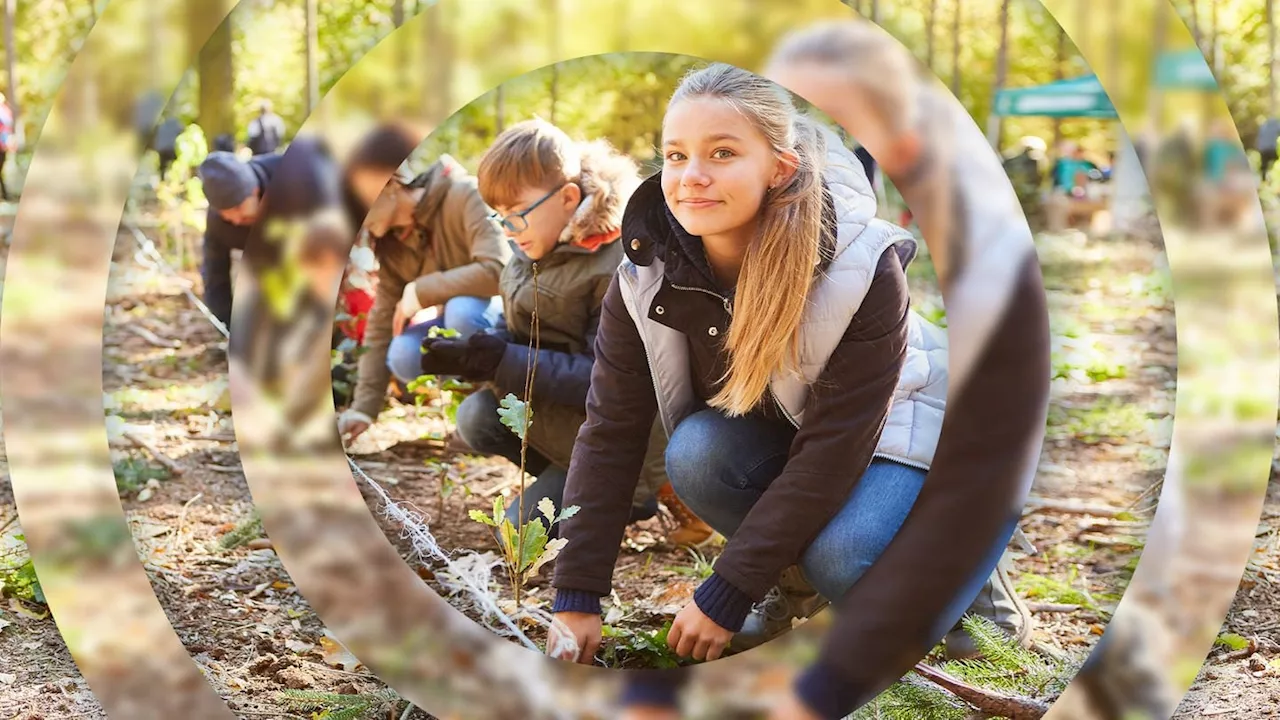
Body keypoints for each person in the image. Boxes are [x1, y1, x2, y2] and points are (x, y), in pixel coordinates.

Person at [611, 22, 1049, 718]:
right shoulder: (654, 262)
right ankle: (800, 588)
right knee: (699, 451)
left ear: (778, 167)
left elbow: (832, 451)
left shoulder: (861, 263)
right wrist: (574, 595)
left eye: (722, 153)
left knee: (847, 558)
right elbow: (611, 428)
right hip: (809, 434)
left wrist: (725, 588)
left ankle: (977, 585)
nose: (691, 176)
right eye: (675, 154)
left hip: (923, 430)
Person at [417, 119, 702, 540]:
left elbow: (603, 380)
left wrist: (501, 361)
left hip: (621, 437)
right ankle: (579, 481)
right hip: (571, 423)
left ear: (569, 198)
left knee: (516, 536)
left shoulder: (617, 265)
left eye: (518, 214)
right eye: (501, 216)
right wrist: (478, 352)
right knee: (478, 417)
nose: (508, 230)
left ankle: (630, 489)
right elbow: (519, 324)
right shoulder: (532, 242)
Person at [336, 156, 510, 444]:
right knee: (403, 354)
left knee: (462, 312)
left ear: (390, 185)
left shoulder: (462, 193)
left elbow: (498, 270)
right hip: (461, 324)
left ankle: (494, 405)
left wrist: (420, 291)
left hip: (502, 316)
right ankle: (465, 417)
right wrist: (363, 409)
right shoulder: (392, 242)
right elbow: (381, 320)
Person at [196, 149, 284, 327]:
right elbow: (215, 276)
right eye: (227, 215)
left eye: (241, 212)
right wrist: (228, 325)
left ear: (255, 190)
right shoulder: (217, 223)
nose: (236, 220)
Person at [1256, 115, 1280, 181]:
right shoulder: (1277, 125)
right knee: (1276, 162)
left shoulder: (1263, 127)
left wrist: (1259, 147)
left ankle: (1263, 179)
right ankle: (1274, 178)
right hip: (1272, 148)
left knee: (1264, 164)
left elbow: (1260, 137)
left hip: (1263, 149)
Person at [0, 92, 15, 201]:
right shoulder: (5, 112)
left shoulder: (4, 112)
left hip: (3, 145)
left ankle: (6, 194)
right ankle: (5, 194)